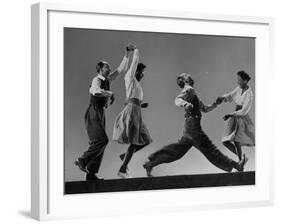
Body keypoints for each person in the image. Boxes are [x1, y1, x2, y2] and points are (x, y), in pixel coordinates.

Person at [143, 73, 248, 177]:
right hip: (193, 127)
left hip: (189, 128)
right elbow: (177, 100)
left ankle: (151, 163)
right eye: (187, 76)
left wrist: (216, 104)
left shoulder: (193, 94)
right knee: (210, 149)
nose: (191, 76)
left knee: (176, 152)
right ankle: (237, 165)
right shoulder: (188, 89)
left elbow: (205, 109)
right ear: (184, 81)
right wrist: (185, 104)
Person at [75, 44, 134, 180]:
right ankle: (82, 160)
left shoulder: (107, 79)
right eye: (107, 67)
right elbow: (95, 91)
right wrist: (110, 93)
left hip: (100, 113)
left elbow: (121, 69)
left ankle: (91, 174)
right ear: (101, 69)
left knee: (100, 142)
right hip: (93, 112)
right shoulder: (96, 80)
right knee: (101, 140)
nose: (109, 68)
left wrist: (127, 54)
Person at [112, 46, 152, 178]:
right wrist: (135, 50)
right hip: (131, 113)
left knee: (145, 140)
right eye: (141, 72)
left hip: (136, 112)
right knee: (135, 142)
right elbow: (134, 63)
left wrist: (141, 104)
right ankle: (123, 169)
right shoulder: (129, 77)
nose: (143, 75)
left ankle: (125, 156)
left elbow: (129, 99)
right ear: (136, 71)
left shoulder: (137, 86)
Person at [217, 70, 255, 162]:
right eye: (238, 80)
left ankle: (240, 161)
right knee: (225, 141)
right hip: (235, 115)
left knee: (236, 139)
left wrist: (230, 114)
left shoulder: (249, 94)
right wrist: (222, 98)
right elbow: (231, 95)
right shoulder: (239, 88)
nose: (238, 82)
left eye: (240, 80)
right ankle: (242, 158)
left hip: (242, 118)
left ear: (245, 81)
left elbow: (244, 111)